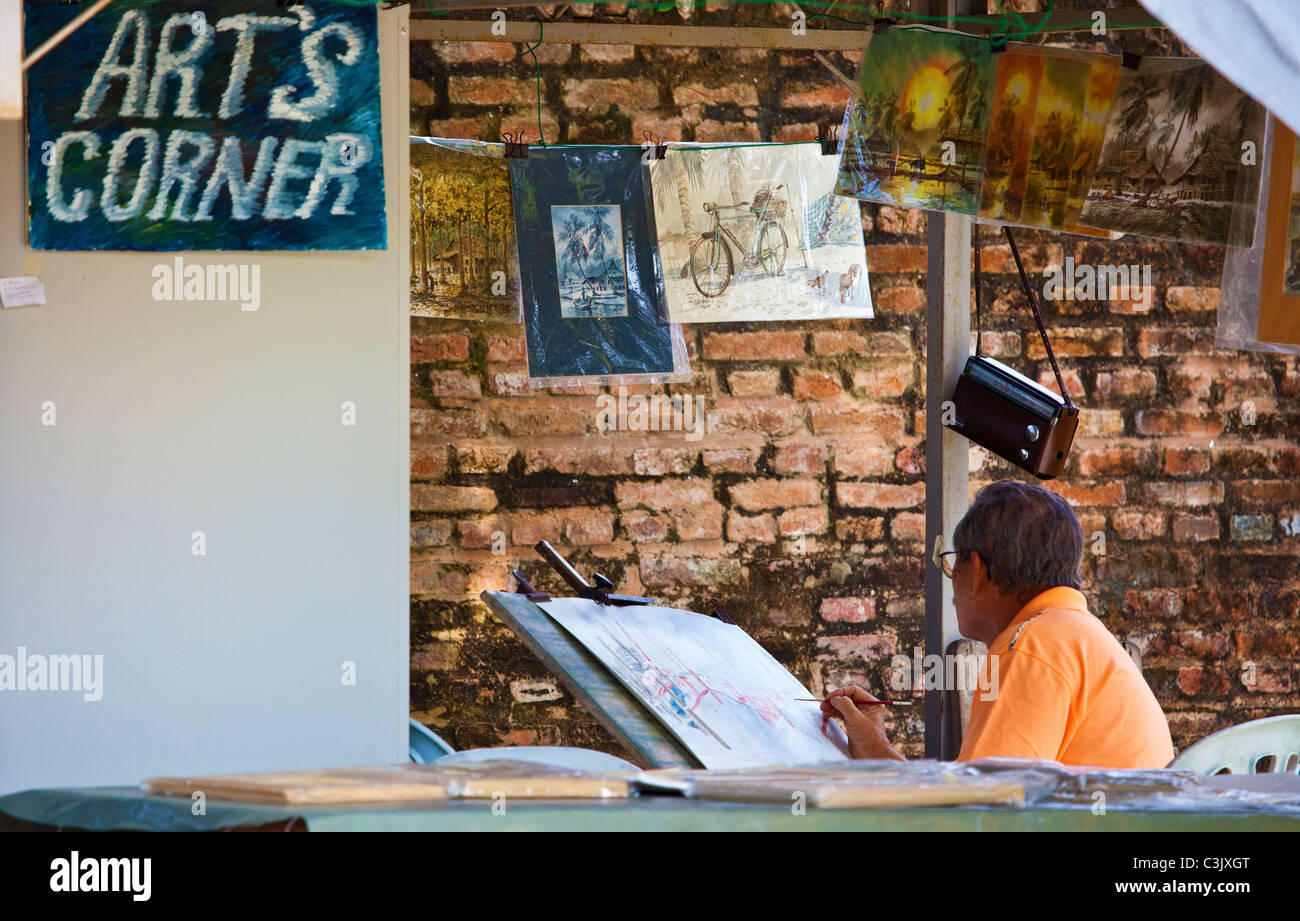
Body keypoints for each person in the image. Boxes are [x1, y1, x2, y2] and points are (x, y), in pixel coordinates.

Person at [822, 480, 1175, 769]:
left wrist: (875, 757)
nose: (952, 585)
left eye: (951, 565)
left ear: (976, 570)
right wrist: (876, 750)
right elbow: (970, 806)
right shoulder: (1076, 635)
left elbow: (979, 818)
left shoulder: (1034, 647)